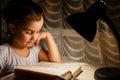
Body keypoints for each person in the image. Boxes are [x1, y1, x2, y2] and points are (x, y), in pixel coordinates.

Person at [0, 0, 61, 77]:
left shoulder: (34, 49)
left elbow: (56, 62)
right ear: (13, 28)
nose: (34, 37)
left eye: (38, 31)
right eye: (29, 32)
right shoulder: (4, 52)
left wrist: (48, 36)